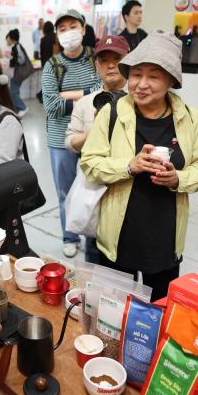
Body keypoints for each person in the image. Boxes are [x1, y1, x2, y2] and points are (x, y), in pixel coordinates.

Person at [80, 30, 198, 301]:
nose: (141, 84)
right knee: (113, 311)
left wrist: (178, 179)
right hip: (117, 238)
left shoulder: (191, 119)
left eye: (153, 76)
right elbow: (90, 164)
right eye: (135, 74)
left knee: (158, 311)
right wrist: (129, 165)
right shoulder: (112, 113)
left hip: (164, 239)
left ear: (170, 80)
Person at [65, 35, 129, 263]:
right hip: (95, 189)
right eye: (104, 60)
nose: (111, 65)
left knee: (129, 254)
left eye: (117, 58)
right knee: (96, 255)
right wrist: (93, 132)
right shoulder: (85, 103)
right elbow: (70, 142)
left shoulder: (139, 101)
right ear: (97, 65)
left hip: (128, 189)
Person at [42, 9, 100, 258]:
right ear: (56, 34)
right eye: (62, 29)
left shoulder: (95, 58)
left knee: (94, 188)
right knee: (65, 191)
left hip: (93, 136)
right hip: (59, 139)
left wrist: (69, 94)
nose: (68, 33)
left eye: (73, 26)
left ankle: (93, 237)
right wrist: (87, 95)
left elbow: (104, 90)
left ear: (83, 29)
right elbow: (51, 106)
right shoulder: (52, 66)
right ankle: (70, 236)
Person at [6, 28, 30, 118]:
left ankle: (23, 107)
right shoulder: (15, 46)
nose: (7, 39)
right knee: (15, 91)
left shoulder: (17, 46)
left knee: (13, 92)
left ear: (11, 38)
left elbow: (21, 59)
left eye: (8, 37)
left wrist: (12, 58)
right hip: (16, 73)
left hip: (17, 73)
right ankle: (18, 109)